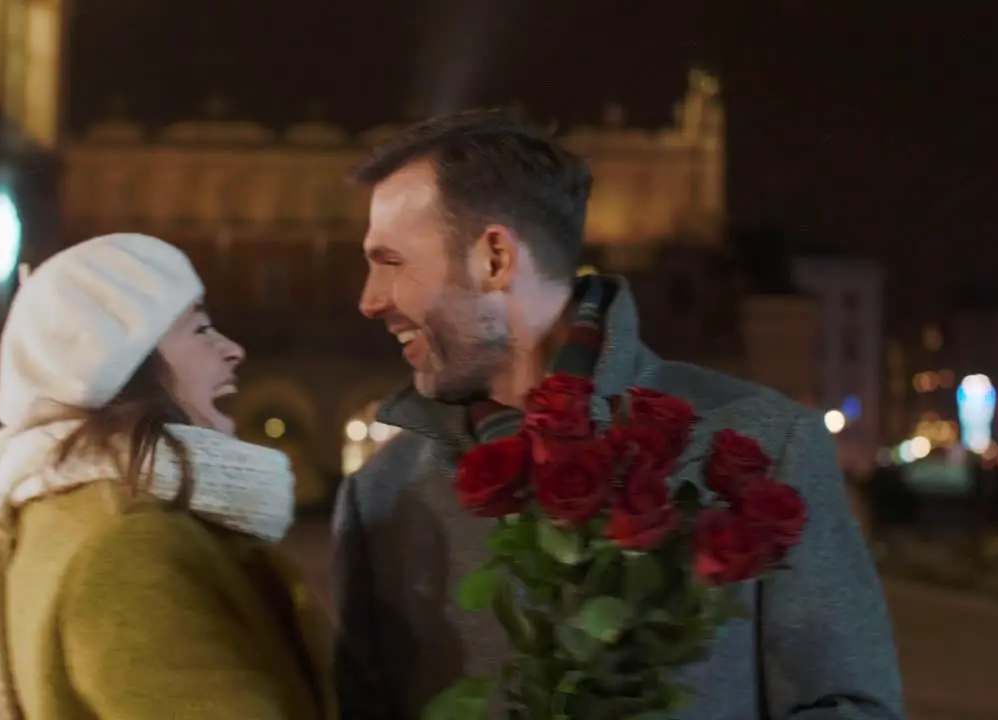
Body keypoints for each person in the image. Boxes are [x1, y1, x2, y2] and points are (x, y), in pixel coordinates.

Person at [332, 110, 906, 719]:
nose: (369, 301)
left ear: (495, 258)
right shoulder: (380, 499)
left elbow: (854, 706)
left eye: (391, 262)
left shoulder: (763, 443)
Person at [0, 233, 335, 720]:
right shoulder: (128, 542)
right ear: (121, 359)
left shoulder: (75, 508)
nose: (233, 349)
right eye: (200, 329)